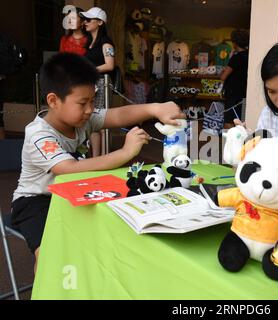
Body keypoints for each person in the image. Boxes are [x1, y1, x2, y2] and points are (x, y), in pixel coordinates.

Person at [10, 53, 185, 272]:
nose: (90, 109)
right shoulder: (39, 134)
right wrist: (125, 152)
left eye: (92, 101)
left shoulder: (83, 119)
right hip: (35, 201)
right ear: (54, 101)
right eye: (83, 103)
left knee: (110, 231)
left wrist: (154, 109)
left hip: (76, 191)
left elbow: (119, 115)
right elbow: (67, 168)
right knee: (50, 253)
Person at [80, 7, 115, 157]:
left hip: (102, 83)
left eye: (89, 19)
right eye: (84, 19)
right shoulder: (89, 43)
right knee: (94, 121)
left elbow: (110, 65)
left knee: (100, 121)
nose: (85, 22)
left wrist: (90, 70)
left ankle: (103, 157)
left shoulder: (106, 43)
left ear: (100, 22)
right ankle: (96, 158)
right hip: (91, 84)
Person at [220, 29, 249, 129]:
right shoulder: (249, 55)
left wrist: (230, 57)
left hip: (233, 94)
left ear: (235, 43)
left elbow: (223, 76)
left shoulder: (236, 58)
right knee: (240, 120)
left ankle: (229, 143)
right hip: (243, 93)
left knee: (229, 122)